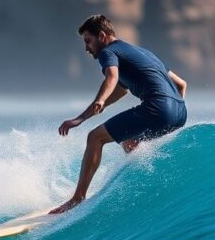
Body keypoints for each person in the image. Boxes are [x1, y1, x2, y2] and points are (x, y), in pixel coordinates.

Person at [50, 15, 188, 214]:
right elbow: (181, 84)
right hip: (180, 112)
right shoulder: (140, 52)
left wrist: (99, 100)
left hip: (157, 107)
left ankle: (77, 198)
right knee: (130, 142)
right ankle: (149, 185)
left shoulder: (109, 52)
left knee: (94, 138)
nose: (86, 48)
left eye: (88, 41)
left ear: (103, 36)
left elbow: (112, 76)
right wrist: (82, 117)